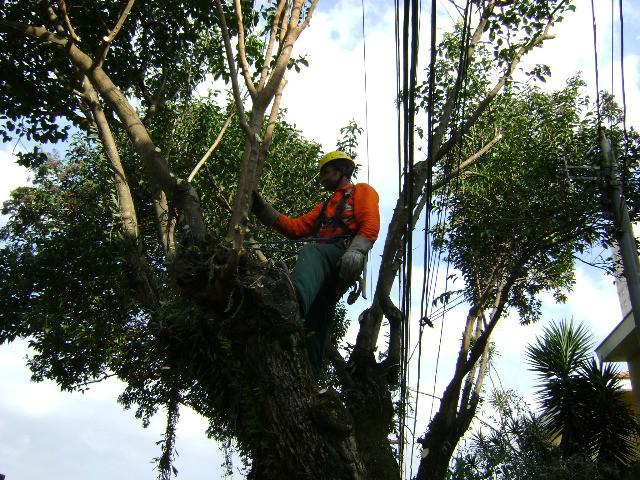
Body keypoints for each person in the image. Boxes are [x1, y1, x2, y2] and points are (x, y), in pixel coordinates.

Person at [252, 151, 380, 375]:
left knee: (311, 251)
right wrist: (262, 209)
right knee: (317, 320)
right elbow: (296, 228)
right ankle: (310, 376)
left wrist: (357, 250)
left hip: (344, 256)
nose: (322, 178)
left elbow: (370, 222)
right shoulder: (324, 206)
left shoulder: (361, 192)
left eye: (326, 172)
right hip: (328, 266)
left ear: (341, 171)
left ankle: (292, 302)